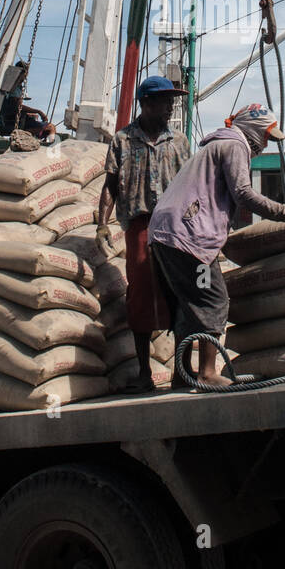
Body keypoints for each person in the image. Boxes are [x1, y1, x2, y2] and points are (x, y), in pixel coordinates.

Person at [148, 103, 285, 389]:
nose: (265, 145)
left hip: (166, 231)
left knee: (187, 307)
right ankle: (207, 373)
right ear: (253, 130)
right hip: (190, 233)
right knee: (213, 300)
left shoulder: (215, 146)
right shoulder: (234, 146)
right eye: (266, 137)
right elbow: (244, 194)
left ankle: (182, 374)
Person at [97, 76, 191, 392]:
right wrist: (101, 224)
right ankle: (144, 373)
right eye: (165, 101)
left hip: (174, 227)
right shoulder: (123, 140)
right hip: (139, 225)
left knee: (180, 291)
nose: (170, 107)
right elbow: (110, 185)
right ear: (147, 103)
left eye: (172, 101)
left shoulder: (179, 141)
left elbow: (192, 188)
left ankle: (183, 370)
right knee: (139, 291)